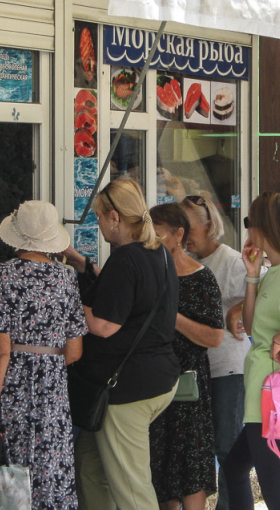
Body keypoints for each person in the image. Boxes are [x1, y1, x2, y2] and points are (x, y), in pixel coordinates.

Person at [65, 178, 180, 510]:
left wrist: (66, 302)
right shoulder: (158, 254)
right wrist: (81, 263)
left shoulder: (126, 259)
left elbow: (103, 324)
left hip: (127, 387)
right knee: (90, 468)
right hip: (156, 377)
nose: (97, 223)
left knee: (132, 489)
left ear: (115, 217)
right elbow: (125, 301)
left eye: (100, 216)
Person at [0, 200, 88, 510]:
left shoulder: (3, 275)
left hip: (11, 389)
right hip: (53, 392)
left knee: (15, 476)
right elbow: (75, 350)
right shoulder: (67, 278)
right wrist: (46, 362)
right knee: (53, 471)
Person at [223, 192, 280, 510]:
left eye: (249, 222)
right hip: (266, 393)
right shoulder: (277, 271)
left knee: (275, 494)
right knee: (235, 470)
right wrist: (251, 275)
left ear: (264, 227)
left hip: (270, 395)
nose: (247, 229)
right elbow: (250, 326)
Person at [149, 202, 224, 510]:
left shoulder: (202, 278)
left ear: (178, 235)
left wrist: (173, 316)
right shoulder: (151, 272)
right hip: (154, 378)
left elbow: (215, 336)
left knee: (191, 463)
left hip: (190, 382)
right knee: (160, 462)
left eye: (157, 235)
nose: (151, 242)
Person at [181, 194, 251, 510]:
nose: (183, 235)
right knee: (197, 448)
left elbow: (262, 292)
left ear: (208, 224)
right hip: (196, 371)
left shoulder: (232, 261)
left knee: (227, 447)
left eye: (187, 226)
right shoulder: (183, 261)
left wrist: (236, 310)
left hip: (228, 369)